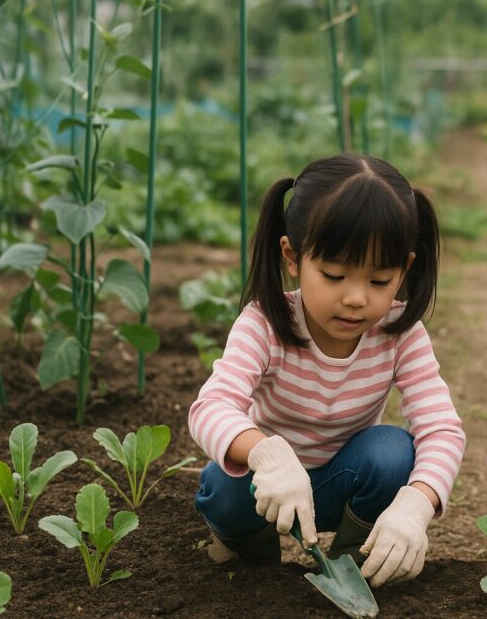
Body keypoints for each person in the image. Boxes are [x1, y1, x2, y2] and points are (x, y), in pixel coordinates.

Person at [189, 154, 466, 587]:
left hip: (341, 480)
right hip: (266, 488)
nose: (356, 298)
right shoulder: (265, 321)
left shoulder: (399, 333)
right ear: (293, 257)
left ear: (405, 269)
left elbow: (441, 430)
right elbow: (211, 406)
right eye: (334, 275)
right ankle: (255, 563)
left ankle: (353, 566)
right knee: (223, 486)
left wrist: (417, 504)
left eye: (378, 281)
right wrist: (266, 454)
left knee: (393, 452)